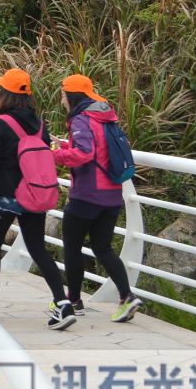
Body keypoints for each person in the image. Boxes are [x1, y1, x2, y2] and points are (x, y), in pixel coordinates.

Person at [0, 68, 74, 329]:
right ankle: (62, 303)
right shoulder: (40, 125)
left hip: (4, 199)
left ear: (5, 94)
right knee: (37, 249)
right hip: (33, 195)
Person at [53, 74, 143, 323]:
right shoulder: (104, 116)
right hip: (112, 195)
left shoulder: (81, 119)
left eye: (63, 95)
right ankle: (127, 297)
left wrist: (54, 156)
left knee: (72, 246)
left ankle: (73, 301)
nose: (62, 100)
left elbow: (84, 154)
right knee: (102, 247)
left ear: (73, 96)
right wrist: (64, 146)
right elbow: (98, 150)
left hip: (87, 195)